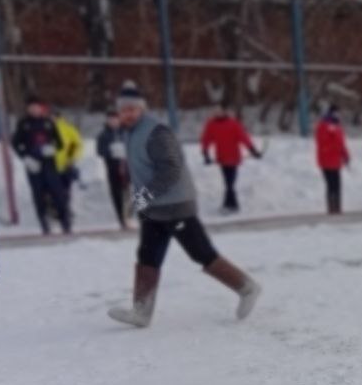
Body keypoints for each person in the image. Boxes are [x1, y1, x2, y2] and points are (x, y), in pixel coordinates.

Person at [107, 81, 261, 328]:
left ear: (141, 109)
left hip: (175, 205)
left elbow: (171, 170)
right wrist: (136, 199)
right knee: (147, 255)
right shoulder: (131, 133)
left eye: (132, 109)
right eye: (123, 110)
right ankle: (141, 312)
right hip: (154, 208)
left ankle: (247, 288)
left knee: (201, 253)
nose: (127, 114)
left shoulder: (156, 132)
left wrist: (142, 197)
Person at [11, 94, 72, 235]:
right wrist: (25, 158)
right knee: (38, 195)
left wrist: (52, 149)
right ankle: (44, 224)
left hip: (49, 165)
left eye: (36, 107)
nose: (34, 110)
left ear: (41, 108)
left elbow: (60, 143)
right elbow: (15, 143)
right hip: (33, 166)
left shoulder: (49, 123)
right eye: (31, 107)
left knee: (58, 194)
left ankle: (65, 223)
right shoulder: (23, 124)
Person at [200, 103, 262, 215]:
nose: (217, 113)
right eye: (215, 111)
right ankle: (231, 205)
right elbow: (206, 139)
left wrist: (253, 151)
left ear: (225, 111)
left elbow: (244, 138)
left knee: (229, 183)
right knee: (228, 182)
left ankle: (231, 205)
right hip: (222, 158)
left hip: (233, 158)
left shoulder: (233, 124)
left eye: (219, 111)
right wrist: (205, 154)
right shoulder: (211, 124)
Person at [95, 109, 131, 229]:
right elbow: (99, 151)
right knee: (116, 194)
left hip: (128, 167)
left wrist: (125, 151)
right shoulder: (103, 135)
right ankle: (122, 219)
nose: (113, 121)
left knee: (129, 192)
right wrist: (111, 151)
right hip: (112, 168)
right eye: (111, 119)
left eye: (115, 119)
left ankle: (130, 215)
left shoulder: (126, 132)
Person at [315, 104, 349, 215]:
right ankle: (331, 207)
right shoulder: (323, 126)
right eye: (336, 112)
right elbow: (323, 142)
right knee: (330, 183)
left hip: (335, 159)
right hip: (326, 158)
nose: (338, 115)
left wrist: (345, 155)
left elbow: (341, 143)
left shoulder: (338, 127)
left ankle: (337, 206)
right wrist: (335, 146)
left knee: (337, 183)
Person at [52, 109, 84, 194]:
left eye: (54, 117)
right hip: (51, 165)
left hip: (64, 164)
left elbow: (76, 144)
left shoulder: (68, 128)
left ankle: (63, 204)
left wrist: (71, 158)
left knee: (63, 189)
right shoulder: (46, 129)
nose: (53, 119)